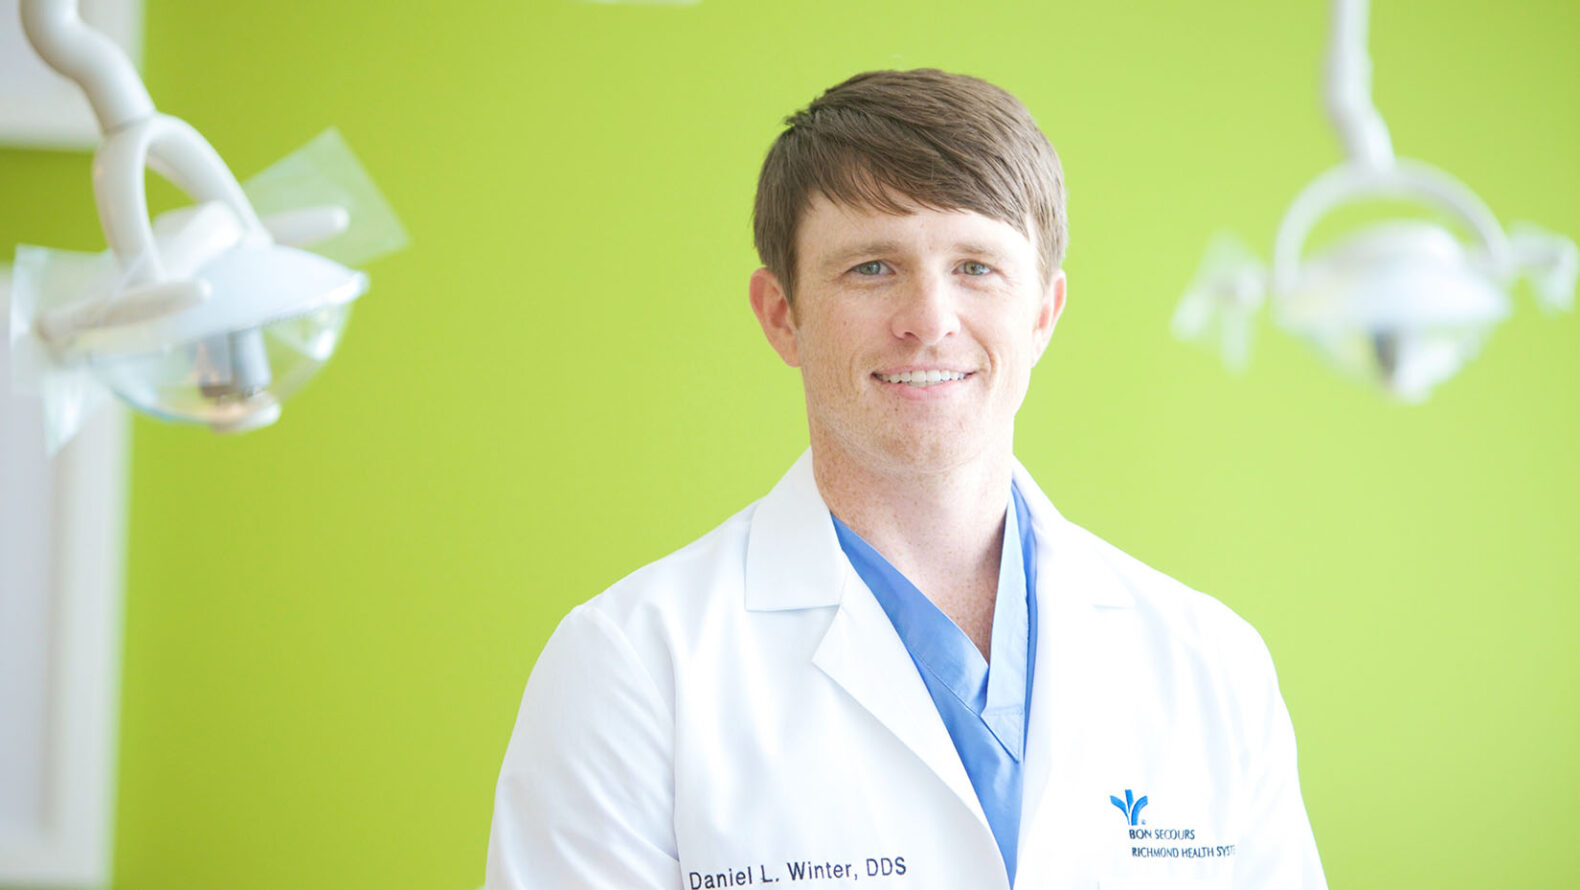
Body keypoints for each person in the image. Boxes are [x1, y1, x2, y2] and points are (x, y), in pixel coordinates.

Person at [485, 69, 1326, 890]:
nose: (929, 320)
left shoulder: (1211, 664)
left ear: (1043, 313)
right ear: (783, 315)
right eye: (872, 268)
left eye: (977, 267)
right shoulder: (633, 666)